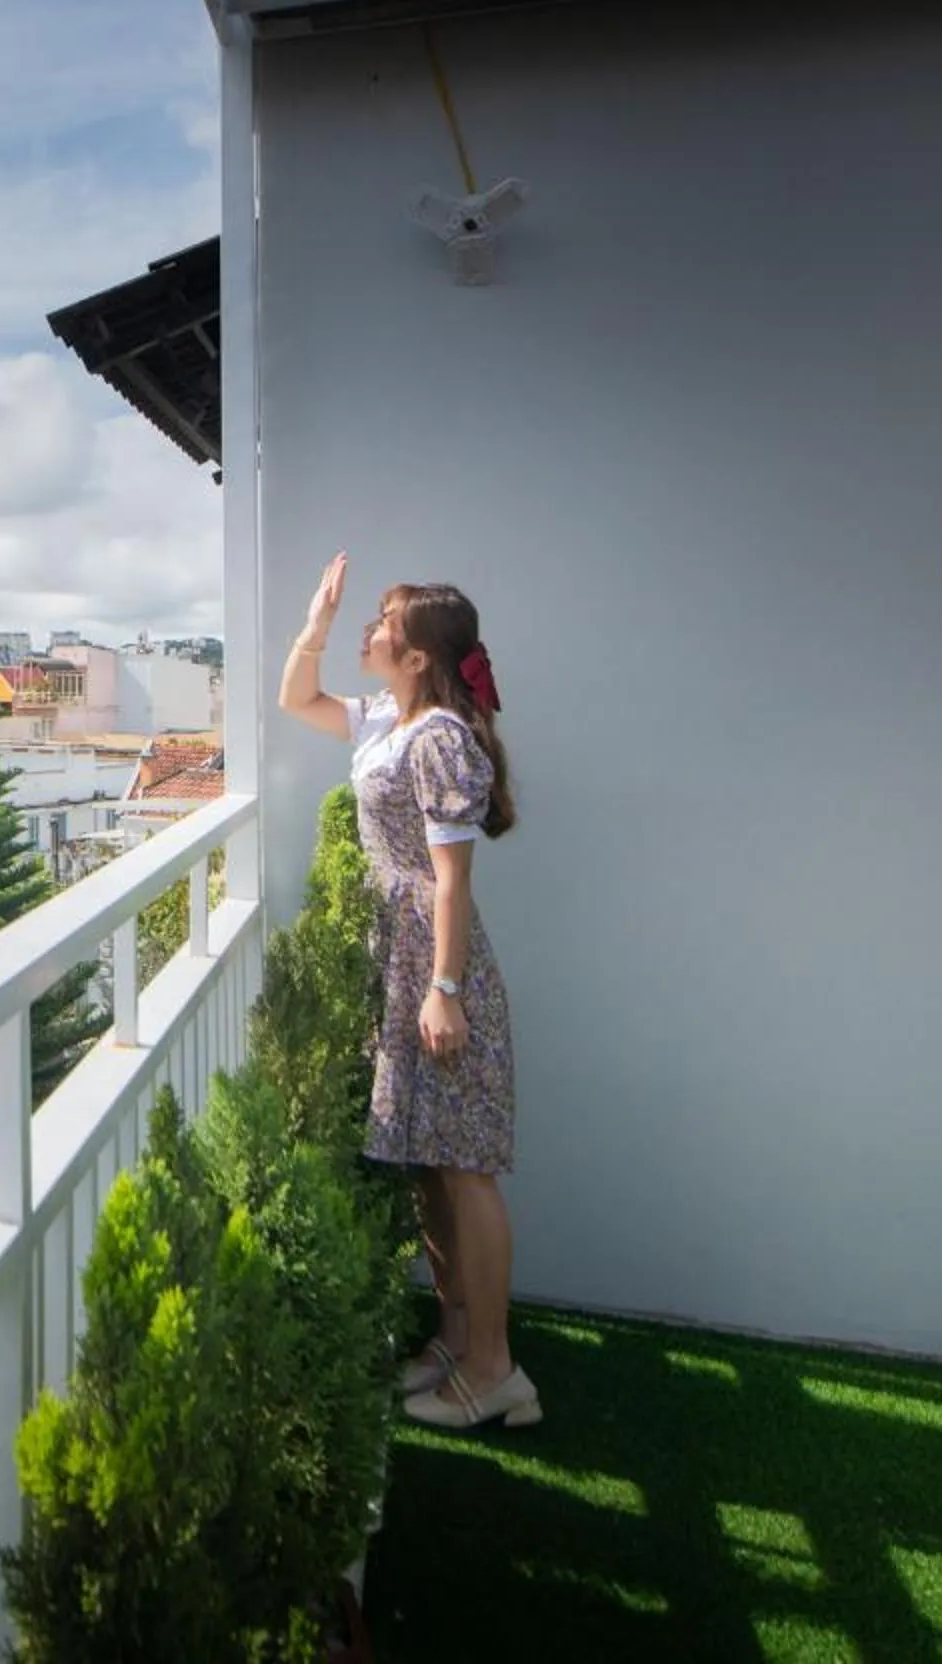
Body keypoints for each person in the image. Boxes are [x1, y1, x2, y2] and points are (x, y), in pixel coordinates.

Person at [279, 552, 540, 1431]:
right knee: (429, 1159)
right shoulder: (387, 722)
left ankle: (497, 1370)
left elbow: (449, 881)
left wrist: (445, 987)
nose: (370, 629)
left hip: (434, 967)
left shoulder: (437, 740)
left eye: (384, 622)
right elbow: (296, 700)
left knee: (464, 1165)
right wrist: (315, 624)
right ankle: (457, 1339)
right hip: (403, 964)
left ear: (420, 655)